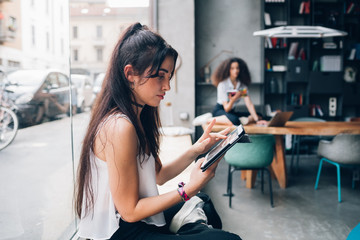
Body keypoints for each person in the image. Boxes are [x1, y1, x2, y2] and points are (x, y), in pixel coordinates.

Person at [74, 22, 241, 240]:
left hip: (134, 222)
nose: (167, 86)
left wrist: (197, 148)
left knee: (205, 203)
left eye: (169, 76)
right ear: (130, 74)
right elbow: (130, 211)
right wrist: (187, 189)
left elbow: (159, 176)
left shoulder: (136, 116)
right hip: (122, 232)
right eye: (160, 76)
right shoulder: (120, 126)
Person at [211, 57, 266, 126]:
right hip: (220, 110)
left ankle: (245, 120)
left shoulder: (241, 86)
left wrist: (257, 120)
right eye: (232, 68)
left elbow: (249, 103)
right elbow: (227, 109)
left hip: (231, 111)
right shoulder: (223, 85)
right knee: (235, 120)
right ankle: (209, 120)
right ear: (228, 70)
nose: (236, 70)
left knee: (259, 115)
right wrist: (233, 99)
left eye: (237, 68)